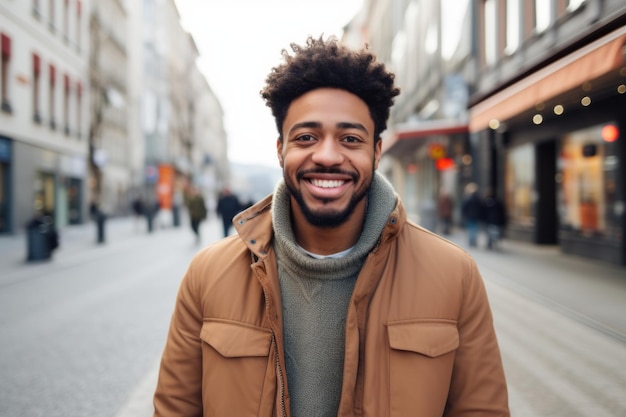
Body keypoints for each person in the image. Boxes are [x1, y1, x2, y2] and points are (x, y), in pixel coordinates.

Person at [153, 36, 509, 417]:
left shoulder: (453, 275)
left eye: (350, 139)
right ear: (280, 150)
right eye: (306, 137)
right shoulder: (208, 275)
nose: (326, 155)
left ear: (376, 152)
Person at [461, 182, 483, 247]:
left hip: (469, 216)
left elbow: (464, 207)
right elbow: (480, 207)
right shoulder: (478, 198)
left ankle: (471, 241)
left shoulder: (467, 198)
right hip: (476, 216)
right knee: (475, 228)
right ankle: (473, 240)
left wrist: (464, 214)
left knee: (470, 228)